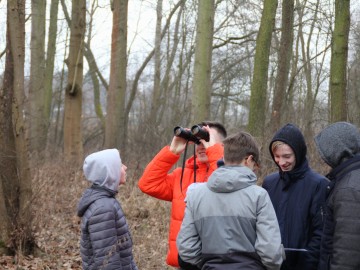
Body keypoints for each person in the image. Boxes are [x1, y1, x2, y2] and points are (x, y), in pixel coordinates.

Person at [176, 131, 284, 270]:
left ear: (224, 157)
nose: (254, 170)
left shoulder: (196, 195)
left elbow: (186, 248)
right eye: (254, 165)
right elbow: (271, 253)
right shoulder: (259, 196)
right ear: (249, 159)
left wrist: (208, 264)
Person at [138, 121, 227, 269]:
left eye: (207, 139)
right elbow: (148, 184)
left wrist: (215, 154)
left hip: (216, 262)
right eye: (197, 141)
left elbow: (224, 183)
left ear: (223, 145)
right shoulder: (181, 175)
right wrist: (172, 151)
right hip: (184, 260)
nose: (201, 146)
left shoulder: (232, 175)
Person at [262, 123, 329, 270]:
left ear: (298, 153)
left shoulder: (319, 184)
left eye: (287, 156)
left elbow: (320, 233)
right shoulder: (269, 183)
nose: (281, 162)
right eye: (277, 156)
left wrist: (308, 264)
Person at [77, 149, 138, 270]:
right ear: (109, 172)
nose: (125, 167)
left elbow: (122, 255)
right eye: (120, 165)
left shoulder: (106, 202)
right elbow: (108, 262)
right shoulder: (103, 208)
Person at [314, 121, 360, 270]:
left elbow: (347, 253)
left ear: (335, 151)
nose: (323, 158)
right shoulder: (351, 178)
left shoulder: (348, 188)